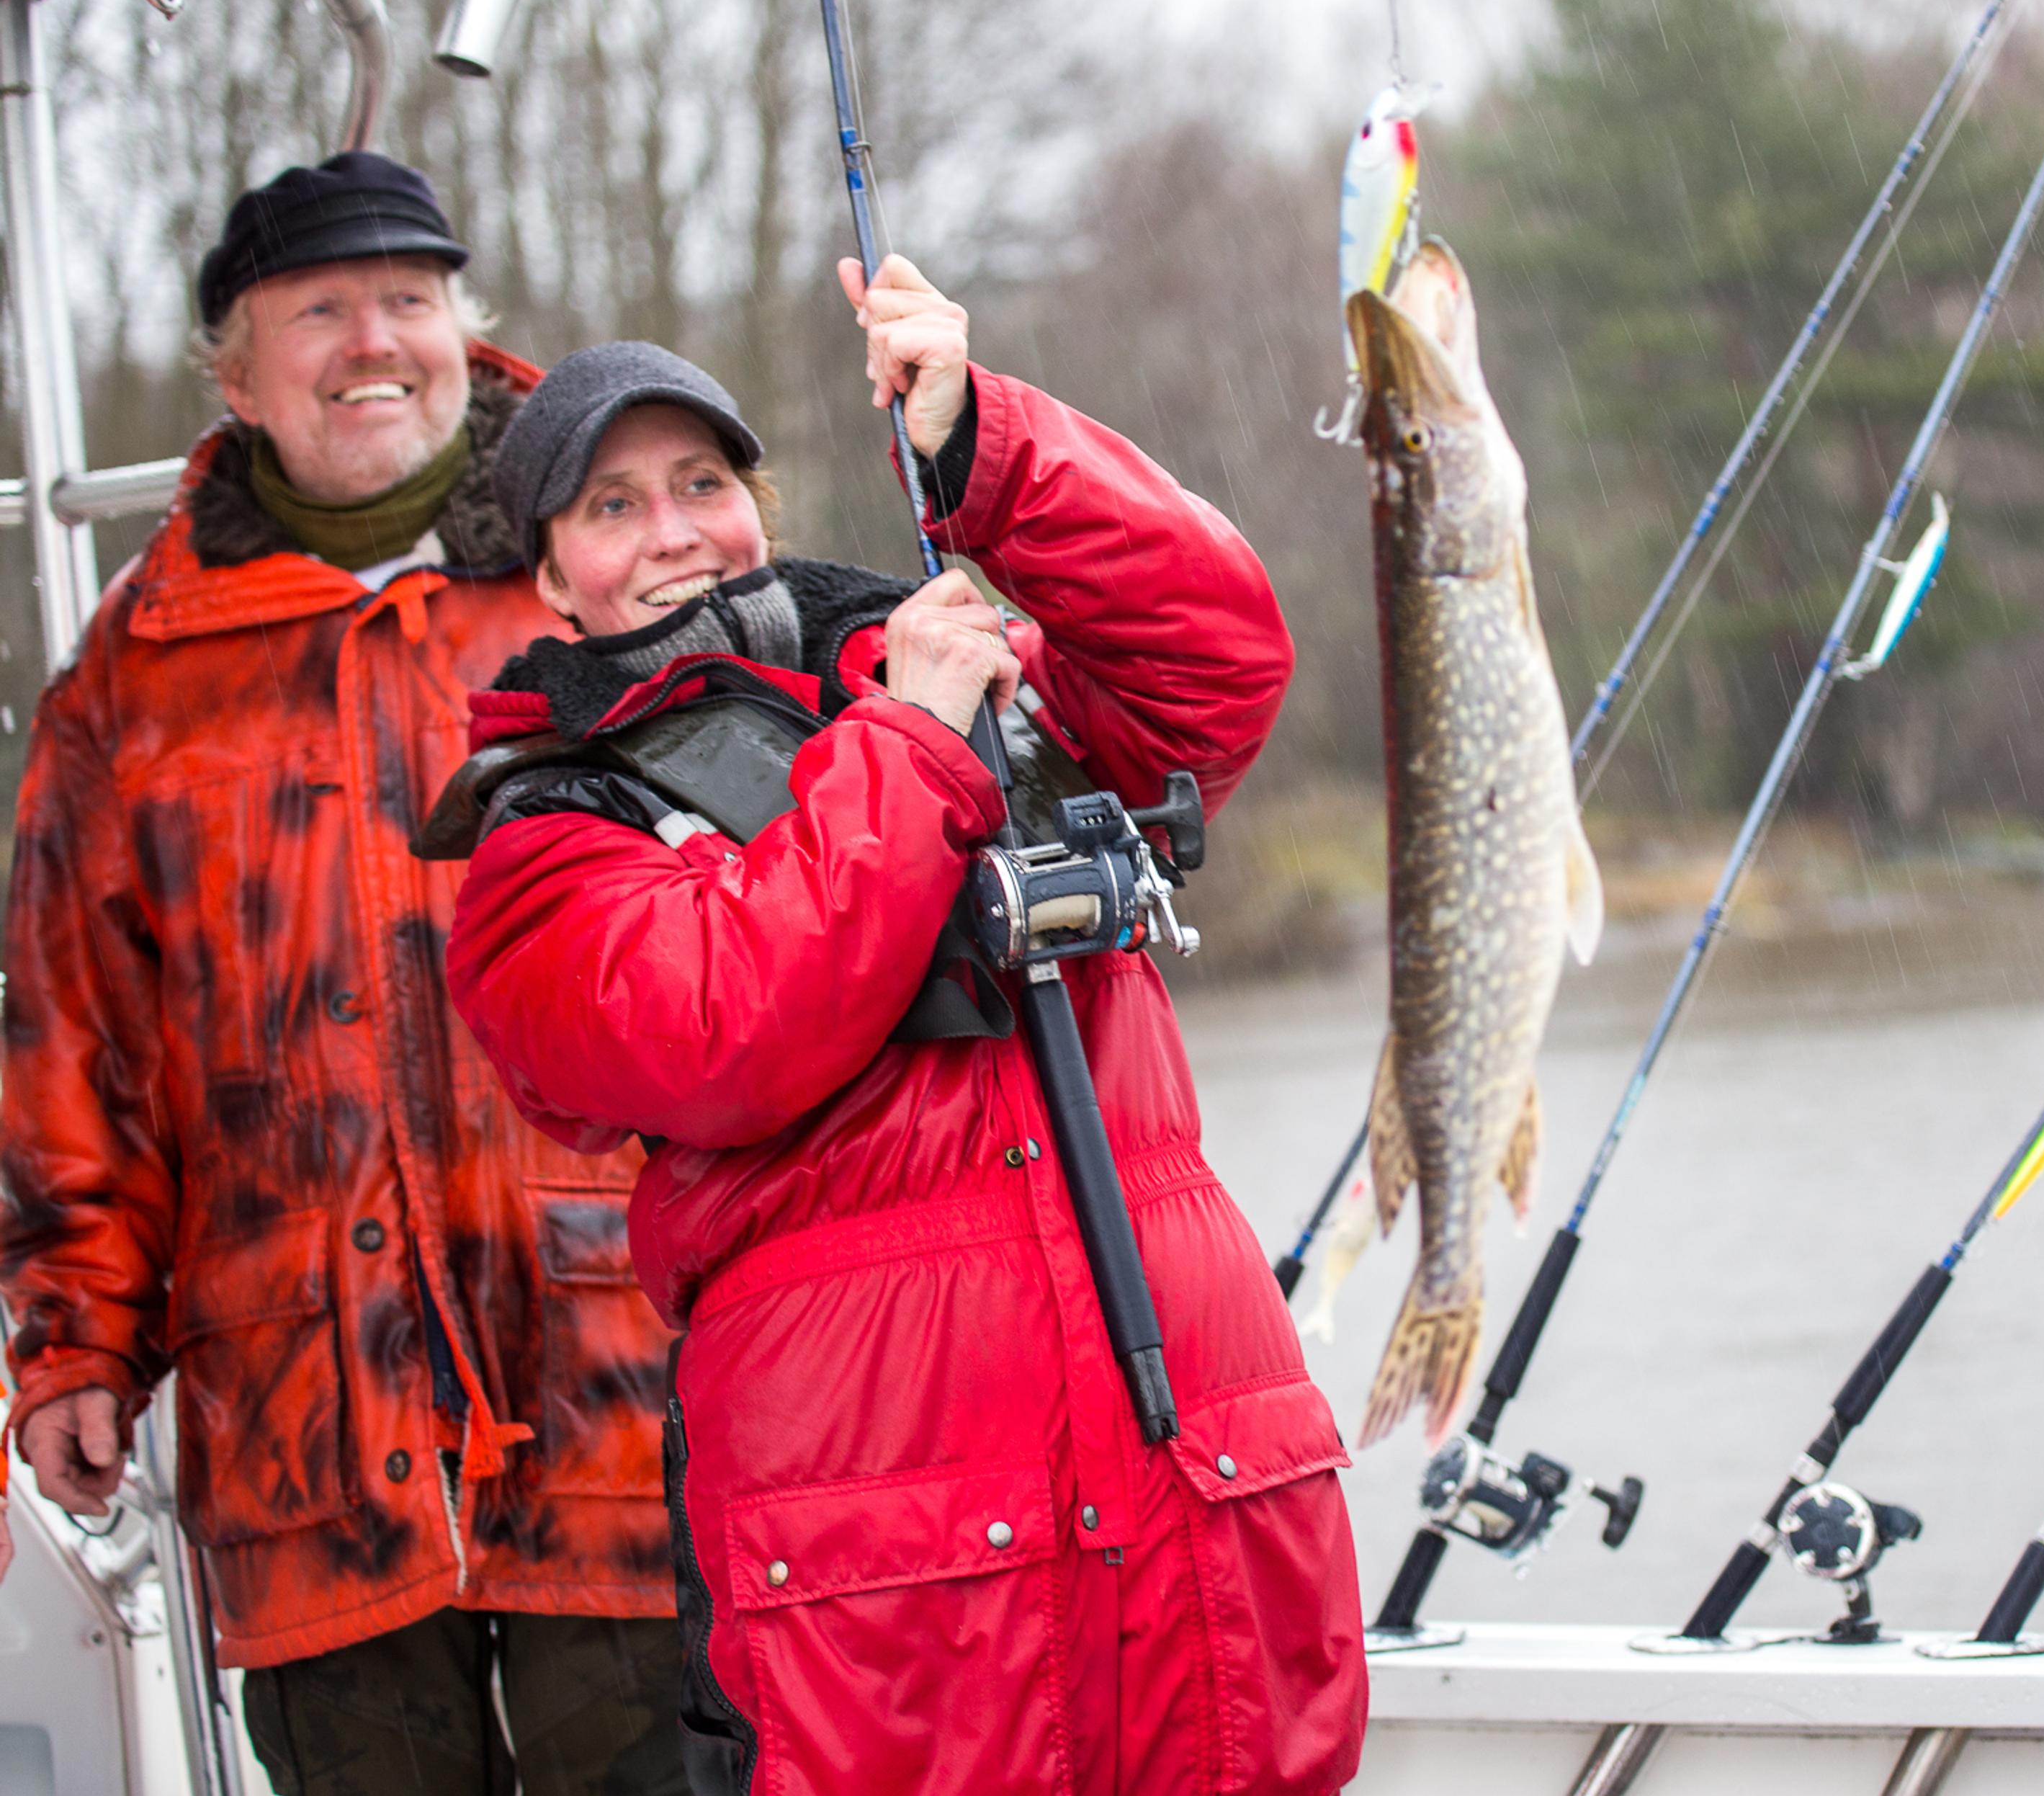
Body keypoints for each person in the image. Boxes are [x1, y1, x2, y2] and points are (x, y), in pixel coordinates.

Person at [431, 254, 1367, 1794]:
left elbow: (1217, 659)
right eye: (611, 506)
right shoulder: (544, 848)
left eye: (703, 482)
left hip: (1183, 1452)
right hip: (895, 1541)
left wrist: (982, 447)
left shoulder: (963, 669)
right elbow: (725, 1029)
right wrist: (918, 741)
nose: (673, 531)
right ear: (549, 578)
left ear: (761, 500)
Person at [0, 153, 686, 1795]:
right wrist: (76, 1340)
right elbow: (68, 1040)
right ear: (236, 378)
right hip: (304, 1436)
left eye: (409, 300)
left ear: (467, 331)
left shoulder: (615, 565)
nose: (373, 341)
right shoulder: (131, 675)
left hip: (632, 1395)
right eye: (319, 312)